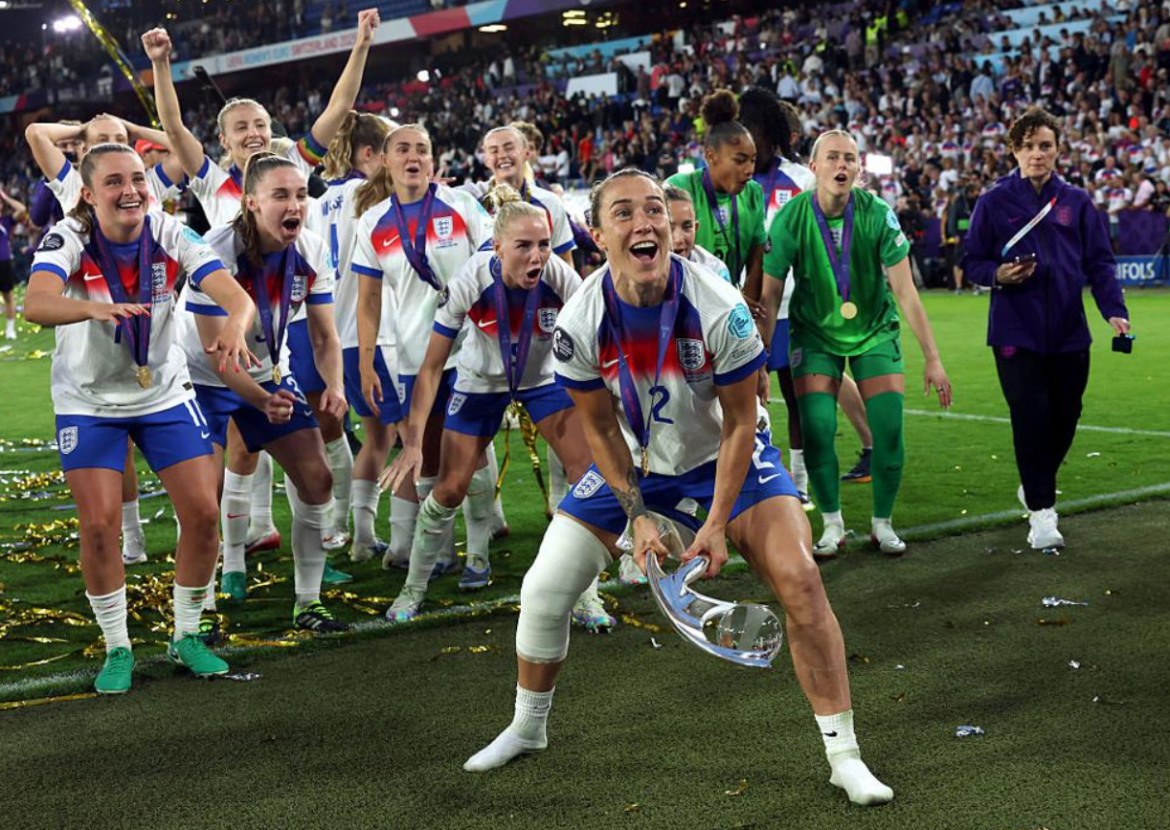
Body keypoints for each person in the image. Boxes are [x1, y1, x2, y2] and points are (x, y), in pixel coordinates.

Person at [464, 170, 893, 807]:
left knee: (802, 580)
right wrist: (638, 514)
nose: (644, 222)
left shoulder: (718, 305)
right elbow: (600, 429)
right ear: (597, 234)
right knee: (543, 590)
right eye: (624, 213)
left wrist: (715, 524)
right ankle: (529, 727)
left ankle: (844, 756)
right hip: (637, 465)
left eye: (654, 210)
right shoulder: (579, 320)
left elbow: (742, 421)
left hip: (726, 457)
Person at [145, 17, 377, 570]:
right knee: (240, 450)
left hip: (279, 321)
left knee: (294, 438)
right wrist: (160, 64)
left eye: (260, 124)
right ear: (223, 141)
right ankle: (231, 560)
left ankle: (303, 548)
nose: (252, 133)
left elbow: (339, 108)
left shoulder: (292, 166)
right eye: (240, 127)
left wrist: (362, 44)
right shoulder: (213, 180)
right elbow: (173, 127)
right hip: (219, 324)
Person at [23, 144, 255, 694]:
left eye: (136, 179)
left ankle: (187, 634)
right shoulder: (68, 237)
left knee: (203, 512)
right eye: (114, 182)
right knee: (99, 526)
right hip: (88, 401)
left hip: (163, 393)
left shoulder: (171, 232)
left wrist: (235, 325)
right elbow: (36, 304)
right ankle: (118, 646)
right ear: (88, 193)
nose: (130, 190)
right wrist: (93, 307)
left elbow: (236, 298)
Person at [381, 185, 613, 629]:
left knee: (589, 477)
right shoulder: (470, 280)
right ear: (497, 246)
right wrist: (412, 442)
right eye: (523, 246)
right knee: (450, 488)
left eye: (543, 244)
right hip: (480, 383)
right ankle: (413, 589)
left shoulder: (562, 278)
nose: (536, 256)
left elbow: (601, 343)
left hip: (542, 381)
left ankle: (587, 595)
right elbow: (431, 369)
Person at [761, 130, 953, 558]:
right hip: (814, 336)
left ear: (858, 168)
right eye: (832, 157)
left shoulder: (877, 213)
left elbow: (905, 290)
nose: (841, 165)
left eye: (849, 158)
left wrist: (933, 357)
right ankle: (832, 524)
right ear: (814, 168)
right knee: (816, 430)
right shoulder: (791, 218)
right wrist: (759, 361)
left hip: (874, 332)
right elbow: (770, 296)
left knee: (888, 429)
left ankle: (883, 524)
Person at [183, 153, 350, 631]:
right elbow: (218, 355)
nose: (295, 204)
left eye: (300, 194)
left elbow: (324, 336)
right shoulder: (214, 253)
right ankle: (200, 611)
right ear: (251, 203)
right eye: (281, 195)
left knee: (317, 479)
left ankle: (308, 602)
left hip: (267, 370)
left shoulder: (312, 249)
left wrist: (334, 385)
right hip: (201, 379)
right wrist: (261, 401)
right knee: (202, 498)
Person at [962, 107, 1130, 551]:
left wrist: (1114, 310)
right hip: (1014, 331)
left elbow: (1100, 262)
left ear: (1057, 150)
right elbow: (972, 261)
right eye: (1028, 146)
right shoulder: (993, 202)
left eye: (1045, 145)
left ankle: (1035, 481)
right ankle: (1042, 512)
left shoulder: (1077, 201)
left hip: (1070, 329)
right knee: (1030, 416)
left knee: (1067, 415)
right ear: (1014, 150)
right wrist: (997, 274)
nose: (1037, 153)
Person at [350, 123, 497, 582]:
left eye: (422, 150)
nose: (413, 157)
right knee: (428, 454)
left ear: (433, 161)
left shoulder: (461, 205)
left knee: (475, 451)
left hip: (472, 350)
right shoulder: (373, 222)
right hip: (416, 356)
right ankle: (440, 553)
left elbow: (494, 261)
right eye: (403, 150)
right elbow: (368, 300)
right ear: (385, 161)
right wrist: (366, 362)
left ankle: (478, 555)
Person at [319, 111, 398, 563]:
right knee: (408, 435)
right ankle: (405, 539)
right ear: (371, 153)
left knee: (377, 438)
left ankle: (363, 536)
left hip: (339, 336)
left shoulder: (320, 199)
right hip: (379, 333)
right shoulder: (371, 194)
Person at [666, 90, 767, 295]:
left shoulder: (753, 193)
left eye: (752, 160)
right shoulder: (679, 188)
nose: (749, 169)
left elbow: (757, 259)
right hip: (685, 299)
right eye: (740, 160)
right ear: (711, 156)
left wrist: (740, 303)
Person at [0, 186, 27, 340]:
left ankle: (10, 330)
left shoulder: (6, 221)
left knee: (8, 296)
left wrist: (5, 196)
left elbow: (22, 209)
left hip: (4, 263)